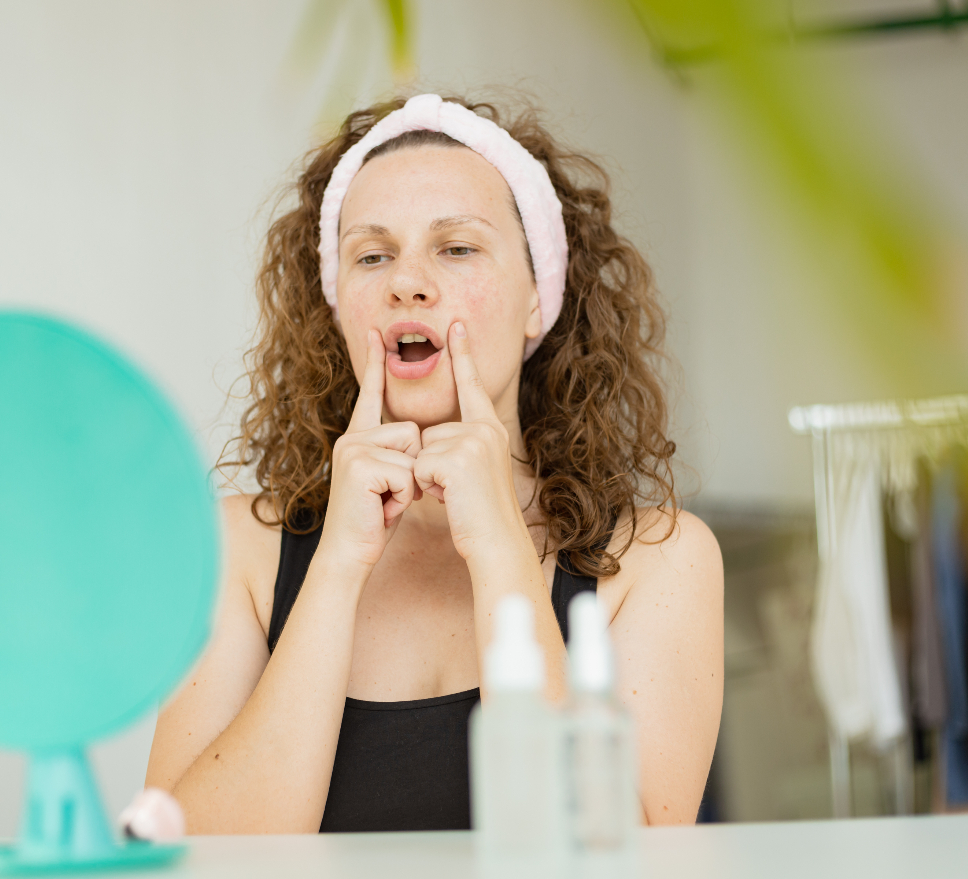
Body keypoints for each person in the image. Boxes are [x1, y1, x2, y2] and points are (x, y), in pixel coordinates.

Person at [139, 94, 723, 834]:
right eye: (372, 255)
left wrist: (500, 549)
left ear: (538, 299)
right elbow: (192, 861)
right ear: (338, 305)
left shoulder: (659, 562)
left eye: (457, 247)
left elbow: (615, 859)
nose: (406, 282)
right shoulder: (236, 552)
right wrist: (337, 567)